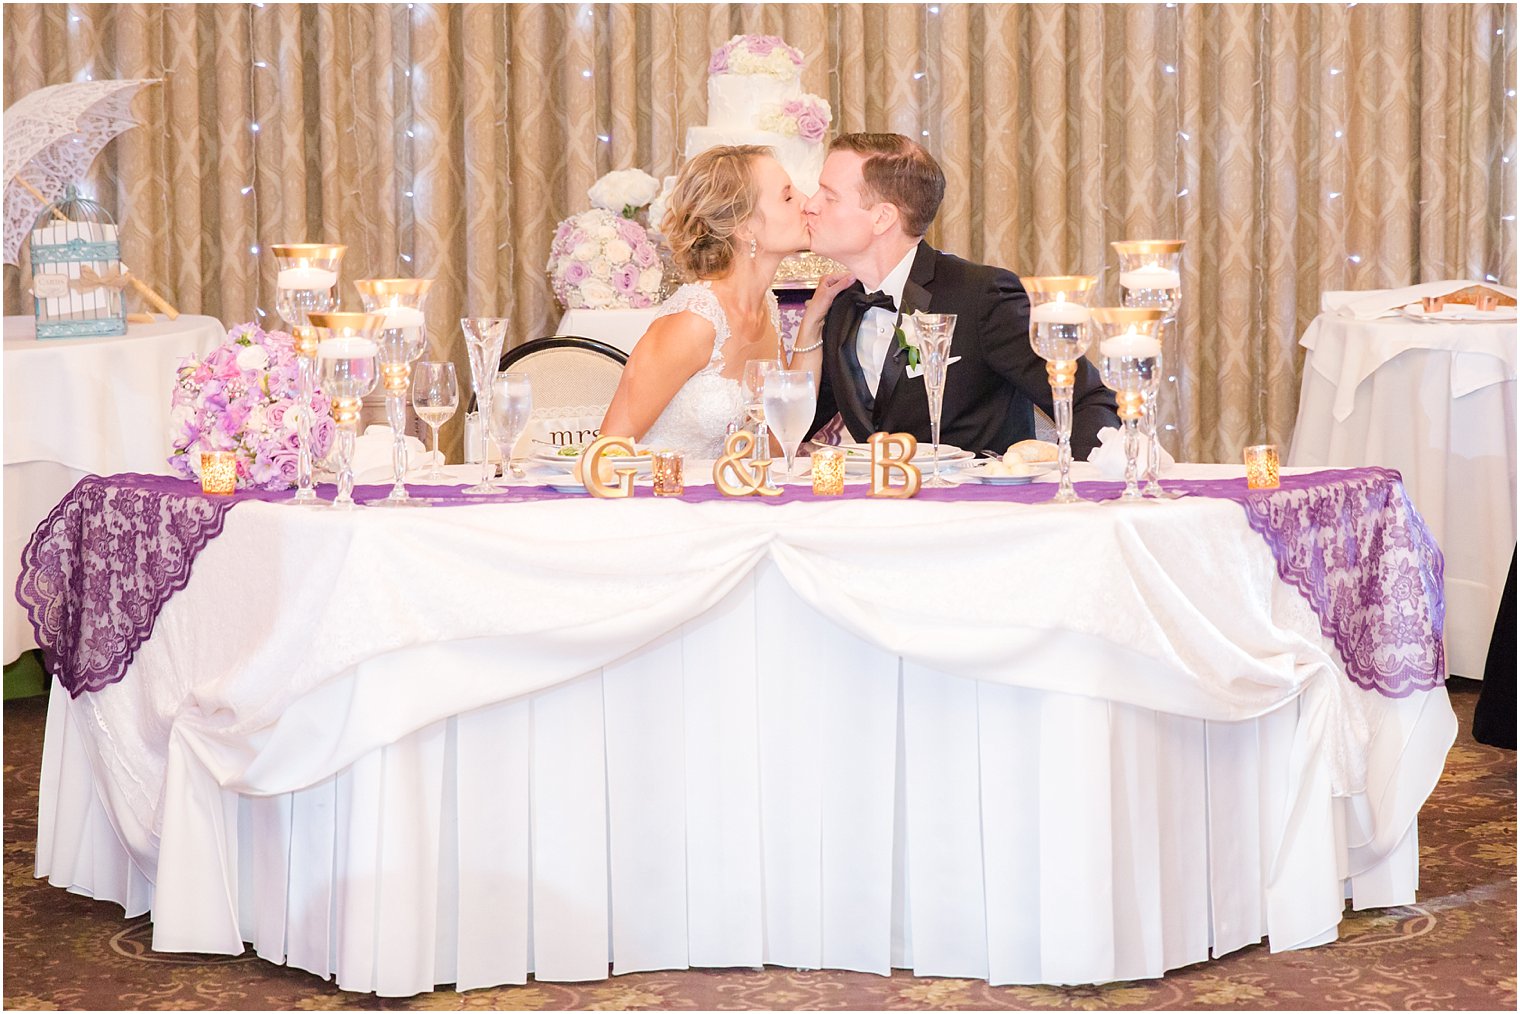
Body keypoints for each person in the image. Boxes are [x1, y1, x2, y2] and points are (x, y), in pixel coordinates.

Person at [800, 132, 1118, 457]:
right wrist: (809, 326)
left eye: (829, 196)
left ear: (883, 218)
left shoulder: (982, 296)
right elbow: (800, 422)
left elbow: (1088, 399)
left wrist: (1076, 486)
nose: (809, 205)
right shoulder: (843, 306)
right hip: (880, 504)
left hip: (981, 504)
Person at [600, 145, 847, 458]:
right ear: (744, 227)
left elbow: (773, 443)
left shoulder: (765, 308)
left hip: (726, 501)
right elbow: (605, 452)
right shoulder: (693, 322)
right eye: (787, 197)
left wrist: (813, 320)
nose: (808, 203)